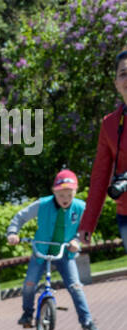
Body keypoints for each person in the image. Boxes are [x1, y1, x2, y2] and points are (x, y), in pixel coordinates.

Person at [6, 169, 100, 330]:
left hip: (65, 253)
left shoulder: (80, 207)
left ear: (75, 192)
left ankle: (87, 322)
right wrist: (13, 232)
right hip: (41, 250)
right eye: (61, 195)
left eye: (69, 195)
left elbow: (87, 227)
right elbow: (20, 217)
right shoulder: (43, 204)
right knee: (29, 284)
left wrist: (76, 241)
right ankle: (27, 313)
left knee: (76, 287)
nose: (65, 199)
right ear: (54, 192)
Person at [79, 48, 127, 255]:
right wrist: (87, 223)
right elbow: (99, 176)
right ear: (116, 83)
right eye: (123, 74)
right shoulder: (110, 124)